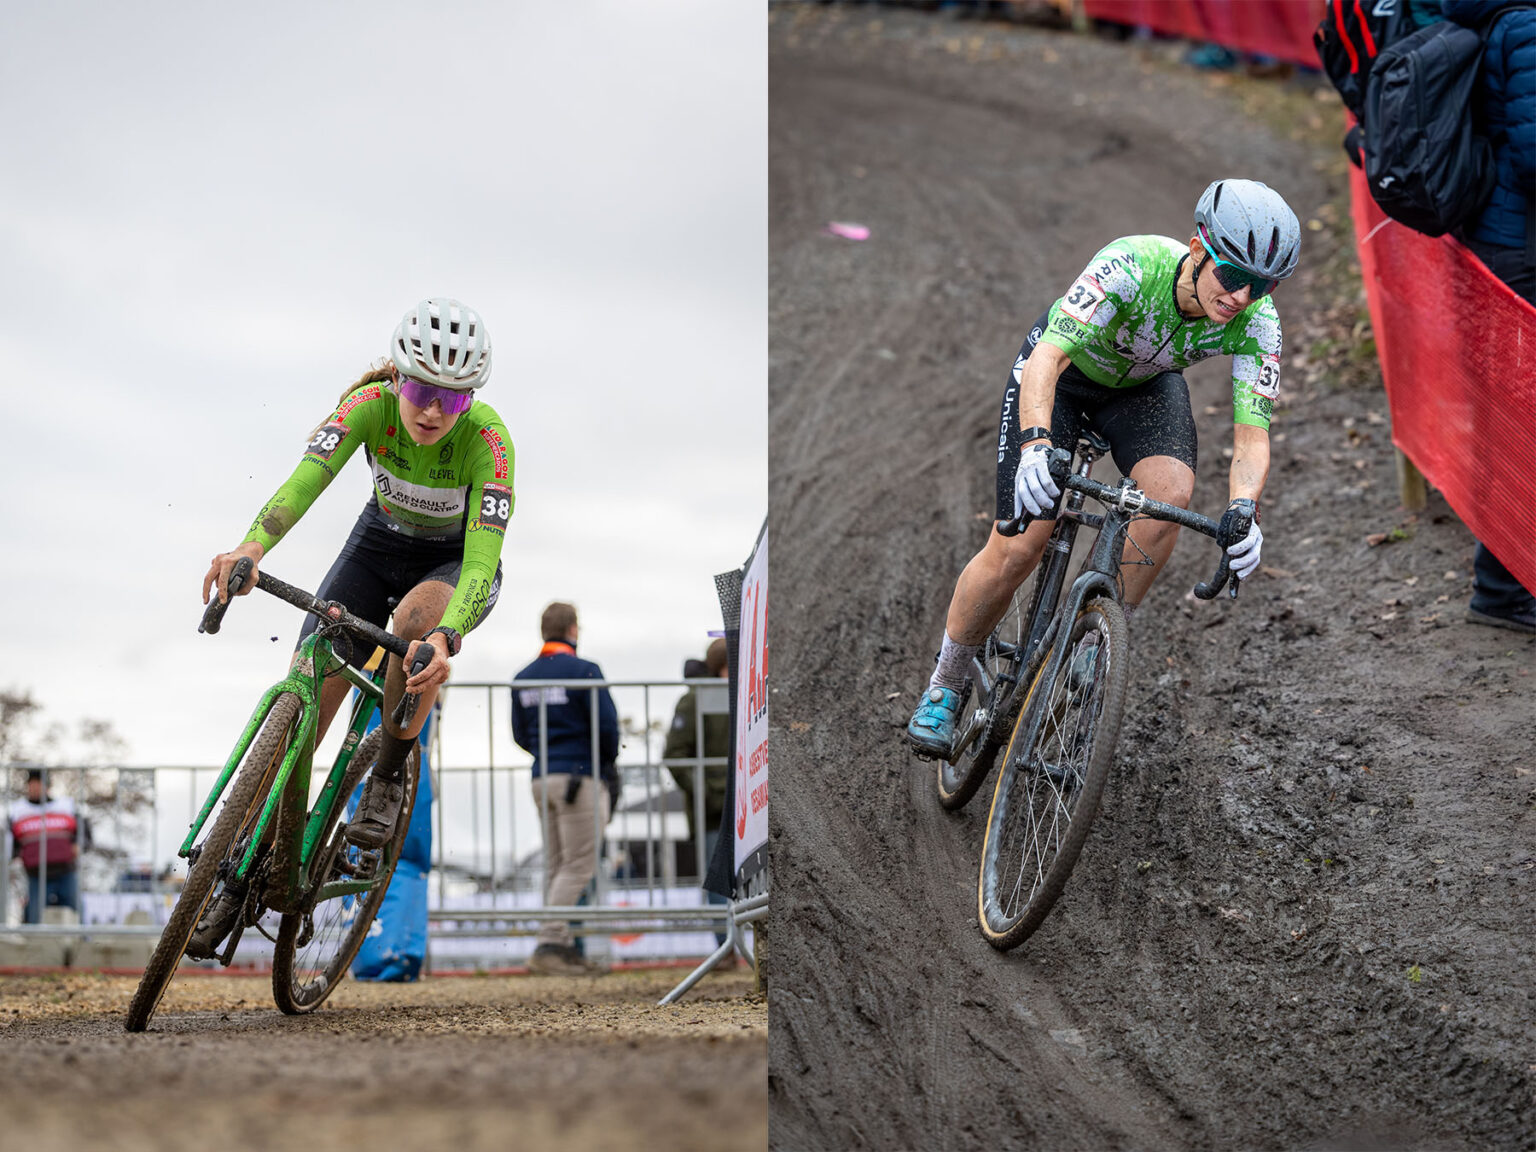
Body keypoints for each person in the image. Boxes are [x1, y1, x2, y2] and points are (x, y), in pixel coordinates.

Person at [907, 179, 1299, 755]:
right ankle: (946, 682)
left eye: (1261, 284)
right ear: (1197, 250)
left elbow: (1252, 436)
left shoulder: (1259, 323)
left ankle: (1097, 647)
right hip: (1062, 377)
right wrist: (1037, 443)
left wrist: (1244, 509)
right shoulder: (1131, 265)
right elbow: (1048, 357)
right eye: (1232, 275)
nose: (1242, 296)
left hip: (1142, 387)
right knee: (1021, 543)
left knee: (1171, 493)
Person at [197, 298, 513, 943]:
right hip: (376, 547)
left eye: (451, 401)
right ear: (399, 378)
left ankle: (390, 771)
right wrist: (251, 548)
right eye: (423, 389)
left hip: (450, 567)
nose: (432, 410)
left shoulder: (488, 442)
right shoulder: (366, 409)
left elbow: (482, 557)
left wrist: (446, 636)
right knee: (307, 695)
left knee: (416, 622)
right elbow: (303, 483)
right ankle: (245, 870)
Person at [1442, 0, 1536, 634]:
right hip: (1518, 247)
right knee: (1515, 414)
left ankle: (1502, 580)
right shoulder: (1525, 22)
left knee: (1507, 410)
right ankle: (1502, 586)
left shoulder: (1497, 16)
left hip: (1496, 239)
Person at [511, 601, 619, 976]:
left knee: (558, 864)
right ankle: (551, 942)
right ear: (573, 629)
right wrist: (601, 765)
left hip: (542, 777)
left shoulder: (523, 677)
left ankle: (563, 946)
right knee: (579, 865)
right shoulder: (585, 671)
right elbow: (608, 729)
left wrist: (547, 754)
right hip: (580, 776)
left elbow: (520, 734)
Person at [663, 638, 731, 945]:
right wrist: (706, 792)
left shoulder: (748, 694)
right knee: (718, 881)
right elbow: (676, 755)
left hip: (744, 806)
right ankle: (724, 946)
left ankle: (744, 947)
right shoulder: (693, 701)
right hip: (713, 812)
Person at [8, 770, 91, 923]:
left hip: (65, 869)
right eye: (31, 784)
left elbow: (84, 833)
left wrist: (80, 845)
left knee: (74, 908)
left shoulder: (66, 806)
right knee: (35, 913)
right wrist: (13, 855)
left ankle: (82, 941)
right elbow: (10, 841)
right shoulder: (17, 810)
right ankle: (34, 944)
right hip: (35, 872)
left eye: (39, 784)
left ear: (47, 786)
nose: (35, 788)